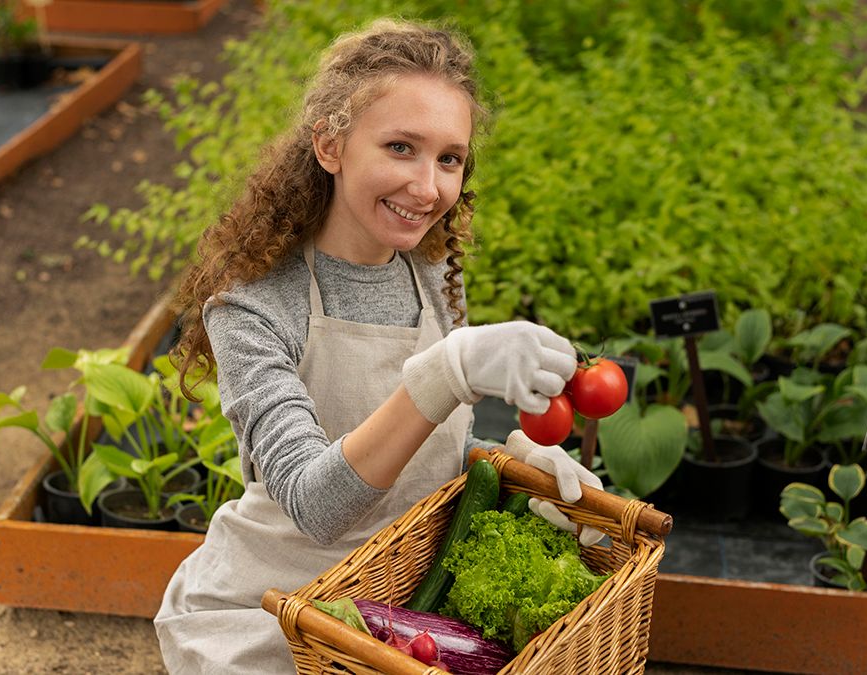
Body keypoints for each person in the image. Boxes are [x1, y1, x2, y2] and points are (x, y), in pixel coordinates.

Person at [154, 19, 603, 674]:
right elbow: (316, 503)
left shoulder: (430, 276)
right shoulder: (253, 305)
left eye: (449, 159)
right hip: (276, 610)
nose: (428, 188)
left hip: (406, 605)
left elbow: (423, 454)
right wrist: (448, 371)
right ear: (330, 145)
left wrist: (511, 468)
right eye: (400, 147)